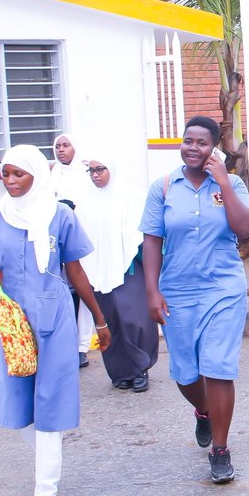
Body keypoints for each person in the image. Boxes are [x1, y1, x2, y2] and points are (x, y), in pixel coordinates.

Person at [0, 144, 110, 496]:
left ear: (37, 176)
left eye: (20, 174)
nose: (11, 182)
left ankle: (44, 492)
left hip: (54, 317)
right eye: (6, 174)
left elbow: (75, 271)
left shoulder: (59, 215)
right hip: (14, 322)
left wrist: (99, 319)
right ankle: (50, 450)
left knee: (50, 400)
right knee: (20, 403)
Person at [141, 116, 249, 484]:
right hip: (177, 291)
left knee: (218, 367)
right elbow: (152, 241)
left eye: (202, 143)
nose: (193, 148)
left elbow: (244, 227)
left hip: (223, 287)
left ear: (215, 147)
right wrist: (152, 291)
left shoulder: (232, 183)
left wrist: (223, 180)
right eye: (188, 141)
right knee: (186, 373)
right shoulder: (162, 188)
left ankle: (220, 450)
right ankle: (203, 410)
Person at [76, 147, 157, 392]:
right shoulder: (86, 201)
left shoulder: (132, 196)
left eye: (100, 169)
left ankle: (140, 367)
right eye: (91, 170)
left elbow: (143, 232)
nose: (95, 175)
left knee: (134, 318)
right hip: (97, 268)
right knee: (108, 320)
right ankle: (120, 372)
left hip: (128, 265)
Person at [51, 132, 95, 367]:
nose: (61, 150)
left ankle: (82, 346)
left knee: (84, 290)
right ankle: (66, 342)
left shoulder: (85, 173)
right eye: (58, 146)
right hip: (58, 239)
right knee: (64, 291)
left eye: (66, 145)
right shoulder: (52, 175)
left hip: (81, 238)